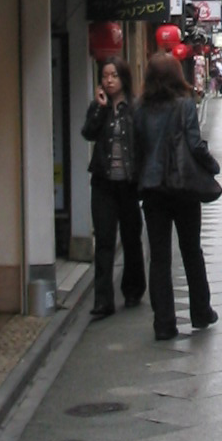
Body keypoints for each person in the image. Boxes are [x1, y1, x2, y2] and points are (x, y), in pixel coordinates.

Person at [132, 51, 219, 340]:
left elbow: (137, 150)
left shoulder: (139, 109)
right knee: (191, 250)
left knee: (159, 257)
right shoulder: (185, 105)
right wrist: (212, 165)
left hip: (152, 189)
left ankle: (164, 323)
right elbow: (194, 144)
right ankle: (200, 311)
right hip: (183, 188)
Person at [81, 57, 146, 319]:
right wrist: (99, 107)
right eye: (105, 76)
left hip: (129, 184)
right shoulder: (100, 107)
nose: (108, 80)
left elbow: (143, 142)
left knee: (131, 239)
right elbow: (88, 132)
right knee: (105, 241)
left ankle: (133, 289)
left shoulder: (135, 107)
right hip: (104, 184)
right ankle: (102, 300)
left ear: (124, 78)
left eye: (114, 76)